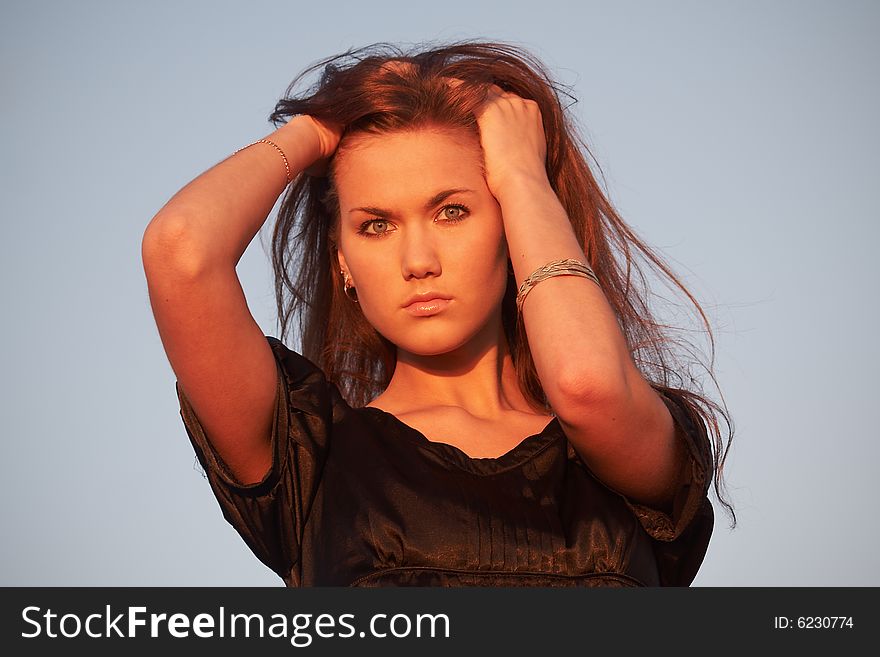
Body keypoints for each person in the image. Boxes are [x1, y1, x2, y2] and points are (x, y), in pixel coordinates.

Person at [142, 40, 734, 587]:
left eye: (451, 212)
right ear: (343, 259)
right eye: (376, 225)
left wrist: (523, 175)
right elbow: (181, 251)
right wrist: (319, 130)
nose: (417, 261)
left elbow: (587, 387)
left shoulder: (628, 440)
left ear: (513, 229)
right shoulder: (308, 455)